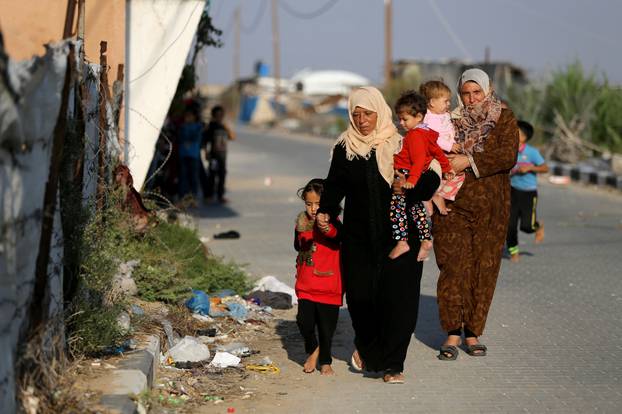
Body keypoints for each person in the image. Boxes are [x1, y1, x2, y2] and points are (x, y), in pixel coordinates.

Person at [316, 86, 436, 384]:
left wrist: (410, 186)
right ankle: (370, 350)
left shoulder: (401, 143)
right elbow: (334, 185)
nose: (362, 120)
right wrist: (325, 210)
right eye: (356, 114)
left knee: (399, 301)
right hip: (358, 239)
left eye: (367, 113)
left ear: (379, 112)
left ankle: (394, 364)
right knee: (360, 299)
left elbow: (431, 176)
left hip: (400, 236)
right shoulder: (346, 147)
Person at [432, 68, 519, 360]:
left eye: (476, 92)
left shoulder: (503, 119)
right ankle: (452, 331)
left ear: (488, 90)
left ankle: (473, 331)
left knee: (484, 268)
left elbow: (507, 156)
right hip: (451, 206)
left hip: (491, 209)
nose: (471, 99)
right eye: (466, 93)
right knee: (453, 267)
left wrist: (466, 160)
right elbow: (432, 149)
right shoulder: (449, 121)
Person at [389, 91, 454, 261]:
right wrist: (447, 168)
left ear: (418, 117)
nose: (402, 123)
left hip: (407, 174)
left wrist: (411, 181)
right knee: (415, 206)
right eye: (400, 119)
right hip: (413, 175)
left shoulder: (414, 136)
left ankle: (402, 241)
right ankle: (425, 239)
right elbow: (437, 152)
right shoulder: (425, 133)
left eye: (405, 119)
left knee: (397, 207)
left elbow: (417, 161)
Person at [294, 178, 342, 376]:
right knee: (304, 321)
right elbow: (297, 246)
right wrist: (302, 233)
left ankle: (326, 361)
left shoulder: (333, 223)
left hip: (329, 284)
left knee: (326, 328)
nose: (313, 209)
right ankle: (313, 348)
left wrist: (325, 227)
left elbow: (337, 237)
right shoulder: (301, 222)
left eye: (318, 204)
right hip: (306, 283)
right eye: (308, 204)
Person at [420, 80, 465, 215]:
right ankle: (431, 195)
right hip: (436, 154)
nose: (448, 104)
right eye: (445, 101)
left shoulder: (444, 114)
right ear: (432, 102)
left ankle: (440, 194)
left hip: (445, 153)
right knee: (437, 175)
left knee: (455, 176)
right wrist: (450, 145)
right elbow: (432, 137)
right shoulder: (427, 118)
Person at [507, 120, 548, 262]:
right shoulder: (508, 150)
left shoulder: (532, 152)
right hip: (512, 191)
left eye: (516, 132)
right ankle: (514, 252)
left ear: (524, 137)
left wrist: (530, 168)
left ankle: (537, 226)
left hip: (529, 193)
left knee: (526, 226)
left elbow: (545, 168)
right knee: (510, 225)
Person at [202, 105, 236, 203]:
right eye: (217, 115)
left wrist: (226, 127)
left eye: (221, 115)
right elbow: (204, 141)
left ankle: (220, 196)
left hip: (223, 156)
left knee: (222, 175)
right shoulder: (211, 126)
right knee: (212, 176)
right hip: (213, 156)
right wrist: (206, 152)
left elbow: (233, 137)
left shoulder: (224, 126)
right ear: (214, 115)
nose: (219, 117)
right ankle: (208, 196)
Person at [177, 107, 203, 200]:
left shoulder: (198, 126)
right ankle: (182, 197)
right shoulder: (182, 126)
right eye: (186, 116)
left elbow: (196, 137)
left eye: (190, 116)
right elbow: (180, 137)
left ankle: (193, 197)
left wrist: (188, 141)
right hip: (183, 154)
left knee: (194, 177)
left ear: (195, 117)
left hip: (193, 154)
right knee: (183, 176)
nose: (188, 118)